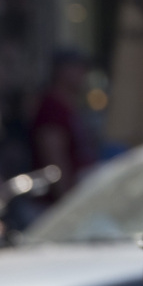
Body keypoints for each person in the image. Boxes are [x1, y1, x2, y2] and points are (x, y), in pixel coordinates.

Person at [30, 47, 99, 198]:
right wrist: (67, 200)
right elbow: (54, 159)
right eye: (77, 68)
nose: (83, 74)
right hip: (53, 205)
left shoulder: (70, 105)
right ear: (62, 71)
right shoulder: (52, 106)